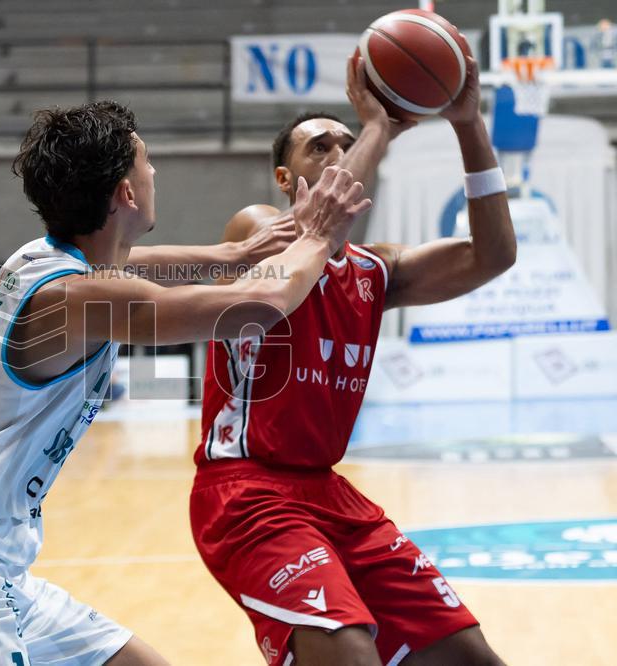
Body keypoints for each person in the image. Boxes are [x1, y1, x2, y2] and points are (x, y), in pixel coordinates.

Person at [0, 99, 371, 665]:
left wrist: (235, 252)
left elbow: (142, 263)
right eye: (147, 162)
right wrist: (317, 236)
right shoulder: (81, 299)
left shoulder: (40, 259)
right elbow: (258, 306)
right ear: (127, 193)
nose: (155, 172)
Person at [189, 57, 515, 666]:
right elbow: (318, 234)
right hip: (248, 493)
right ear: (284, 177)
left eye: (347, 142)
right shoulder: (256, 230)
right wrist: (377, 128)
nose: (339, 152)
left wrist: (468, 124)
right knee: (350, 654)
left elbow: (492, 255)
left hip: (330, 493)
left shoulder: (374, 270)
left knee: (471, 657)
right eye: (320, 147)